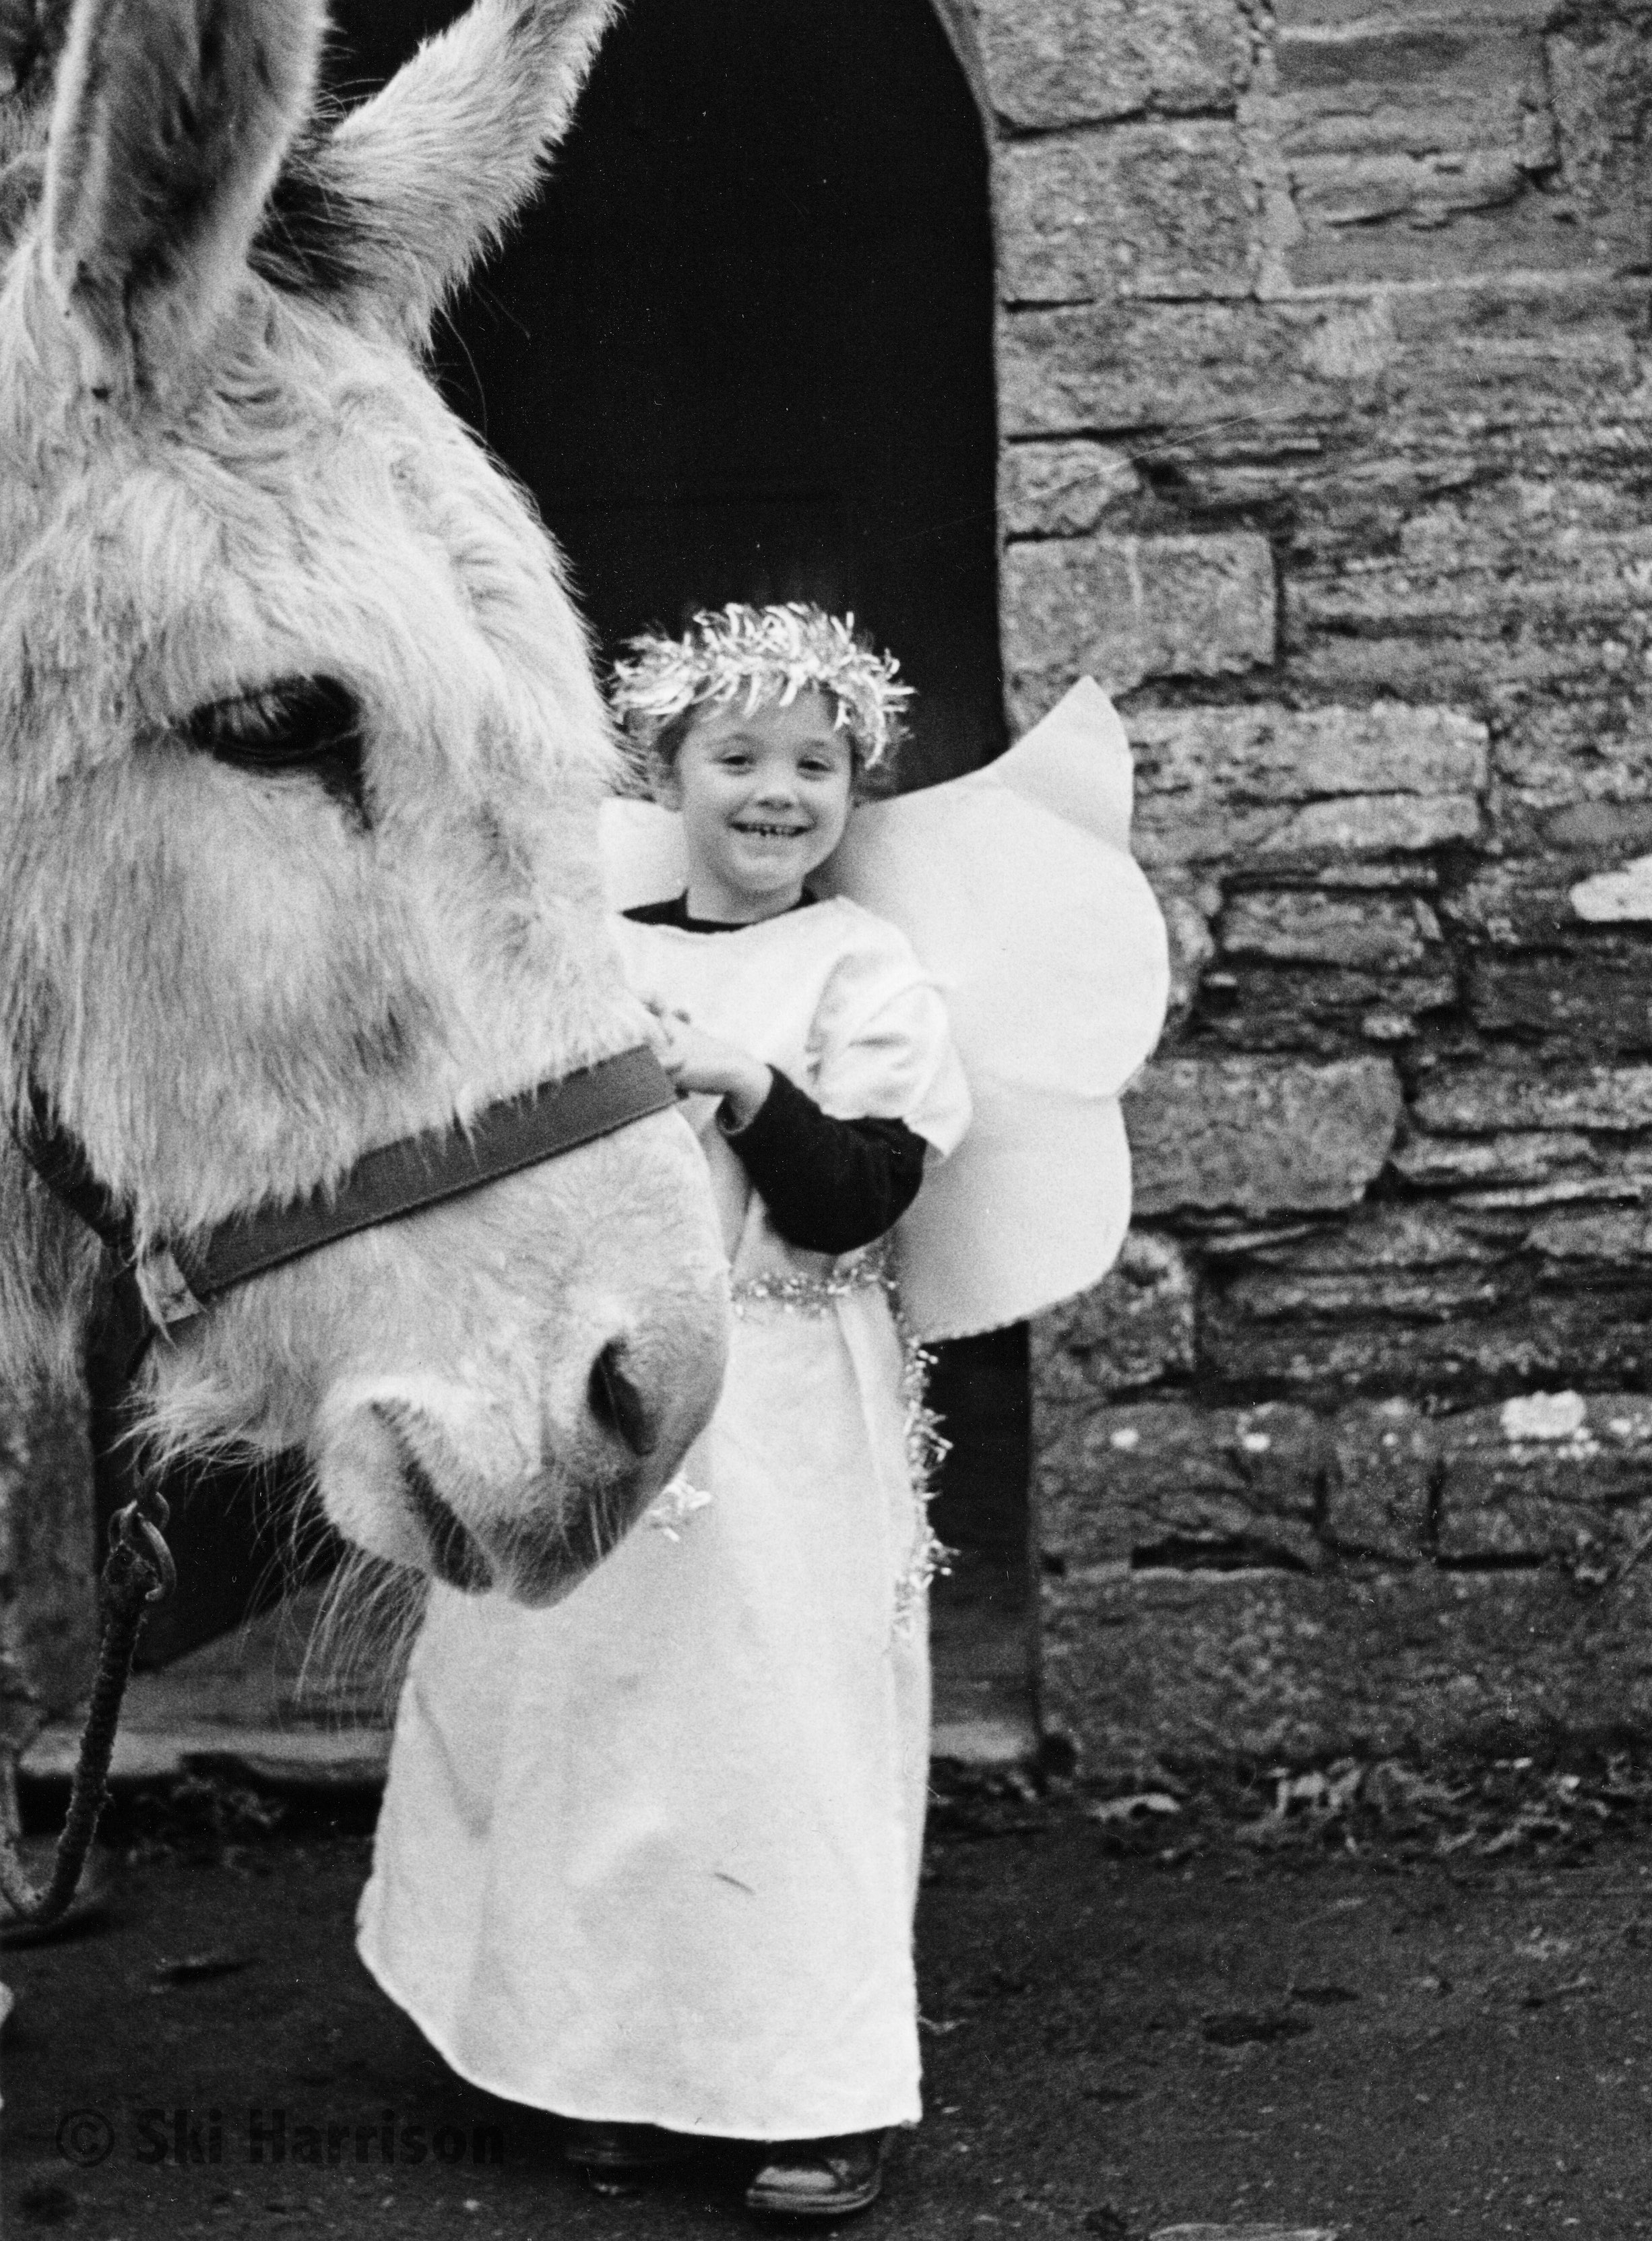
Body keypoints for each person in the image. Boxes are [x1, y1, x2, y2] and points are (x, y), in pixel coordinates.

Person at [357, 602, 1171, 2220]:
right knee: (584, 1715)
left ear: (854, 792)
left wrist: (746, 1083)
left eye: (814, 764)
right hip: (596, 1386)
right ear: (667, 774)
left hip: (779, 1406)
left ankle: (812, 2087)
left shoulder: (859, 970)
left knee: (768, 1732)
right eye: (735, 756)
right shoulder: (590, 955)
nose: (774, 791)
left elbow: (857, 1198)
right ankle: (599, 2064)